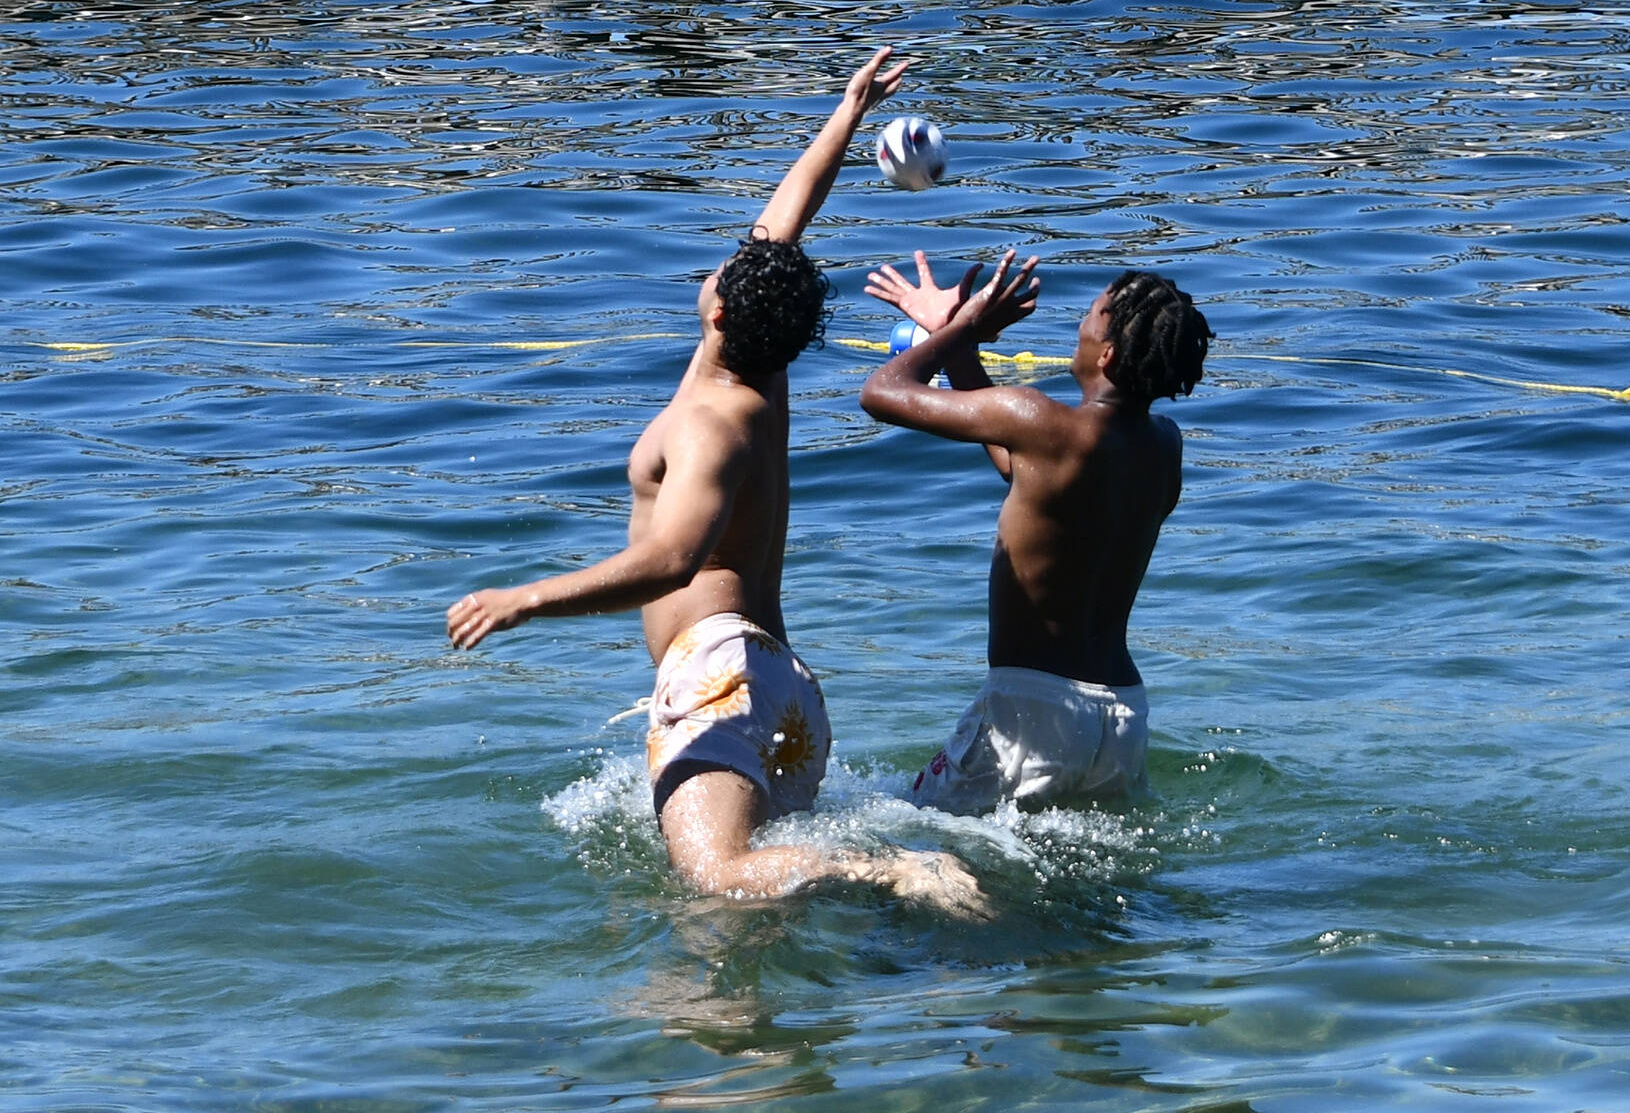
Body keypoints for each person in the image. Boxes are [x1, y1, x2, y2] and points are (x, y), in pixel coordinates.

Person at [447, 50, 982, 915]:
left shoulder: (709, 423)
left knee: (716, 879)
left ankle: (895, 869)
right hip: (776, 681)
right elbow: (780, 227)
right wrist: (845, 113)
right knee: (739, 936)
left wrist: (526, 599)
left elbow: (673, 558)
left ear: (721, 308)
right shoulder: (752, 370)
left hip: (720, 678)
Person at [859, 250, 1212, 813]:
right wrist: (951, 334)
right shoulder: (1163, 444)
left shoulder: (1038, 418)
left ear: (1109, 353)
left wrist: (965, 325)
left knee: (909, 840)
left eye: (1092, 316)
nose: (1079, 324)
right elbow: (1017, 463)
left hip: (1033, 707)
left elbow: (881, 391)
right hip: (1121, 714)